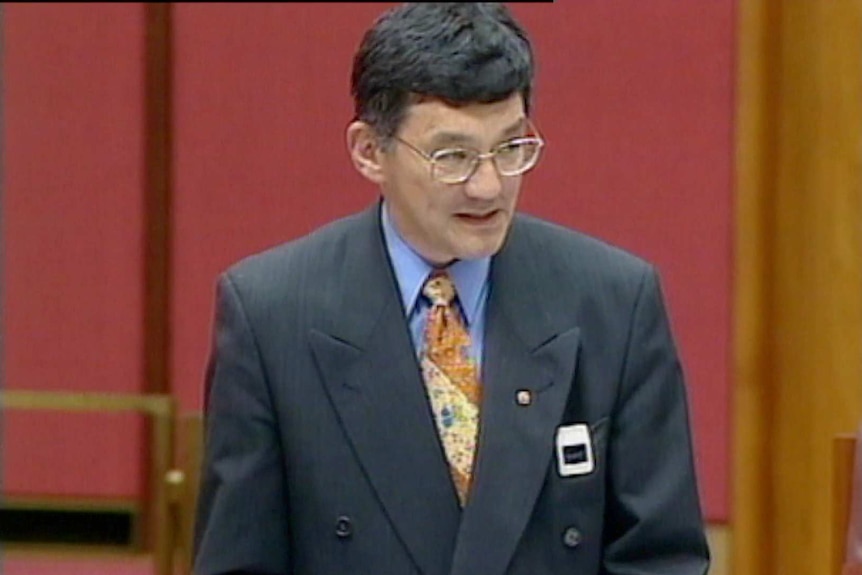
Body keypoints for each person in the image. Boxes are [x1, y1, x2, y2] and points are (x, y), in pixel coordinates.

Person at [192, 3, 710, 575]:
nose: (488, 186)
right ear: (369, 151)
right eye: (453, 157)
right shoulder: (270, 316)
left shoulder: (613, 301)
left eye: (511, 148)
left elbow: (662, 560)